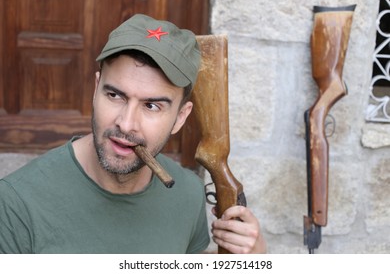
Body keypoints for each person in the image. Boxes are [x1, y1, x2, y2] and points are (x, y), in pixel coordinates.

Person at [0, 14, 266, 254]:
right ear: (96, 89)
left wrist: (255, 260)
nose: (126, 125)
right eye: (115, 95)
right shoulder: (15, 202)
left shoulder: (187, 193)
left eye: (151, 106)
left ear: (180, 117)